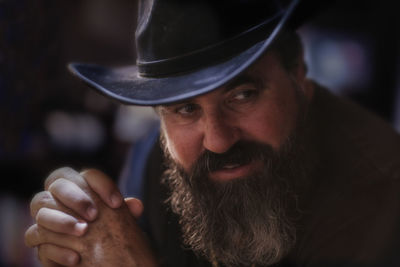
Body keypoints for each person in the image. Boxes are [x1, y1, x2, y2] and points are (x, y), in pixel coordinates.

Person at [24, 0, 400, 266]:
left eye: (242, 95)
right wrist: (80, 230)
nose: (218, 140)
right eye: (185, 109)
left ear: (298, 75)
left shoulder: (383, 205)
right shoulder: (153, 165)